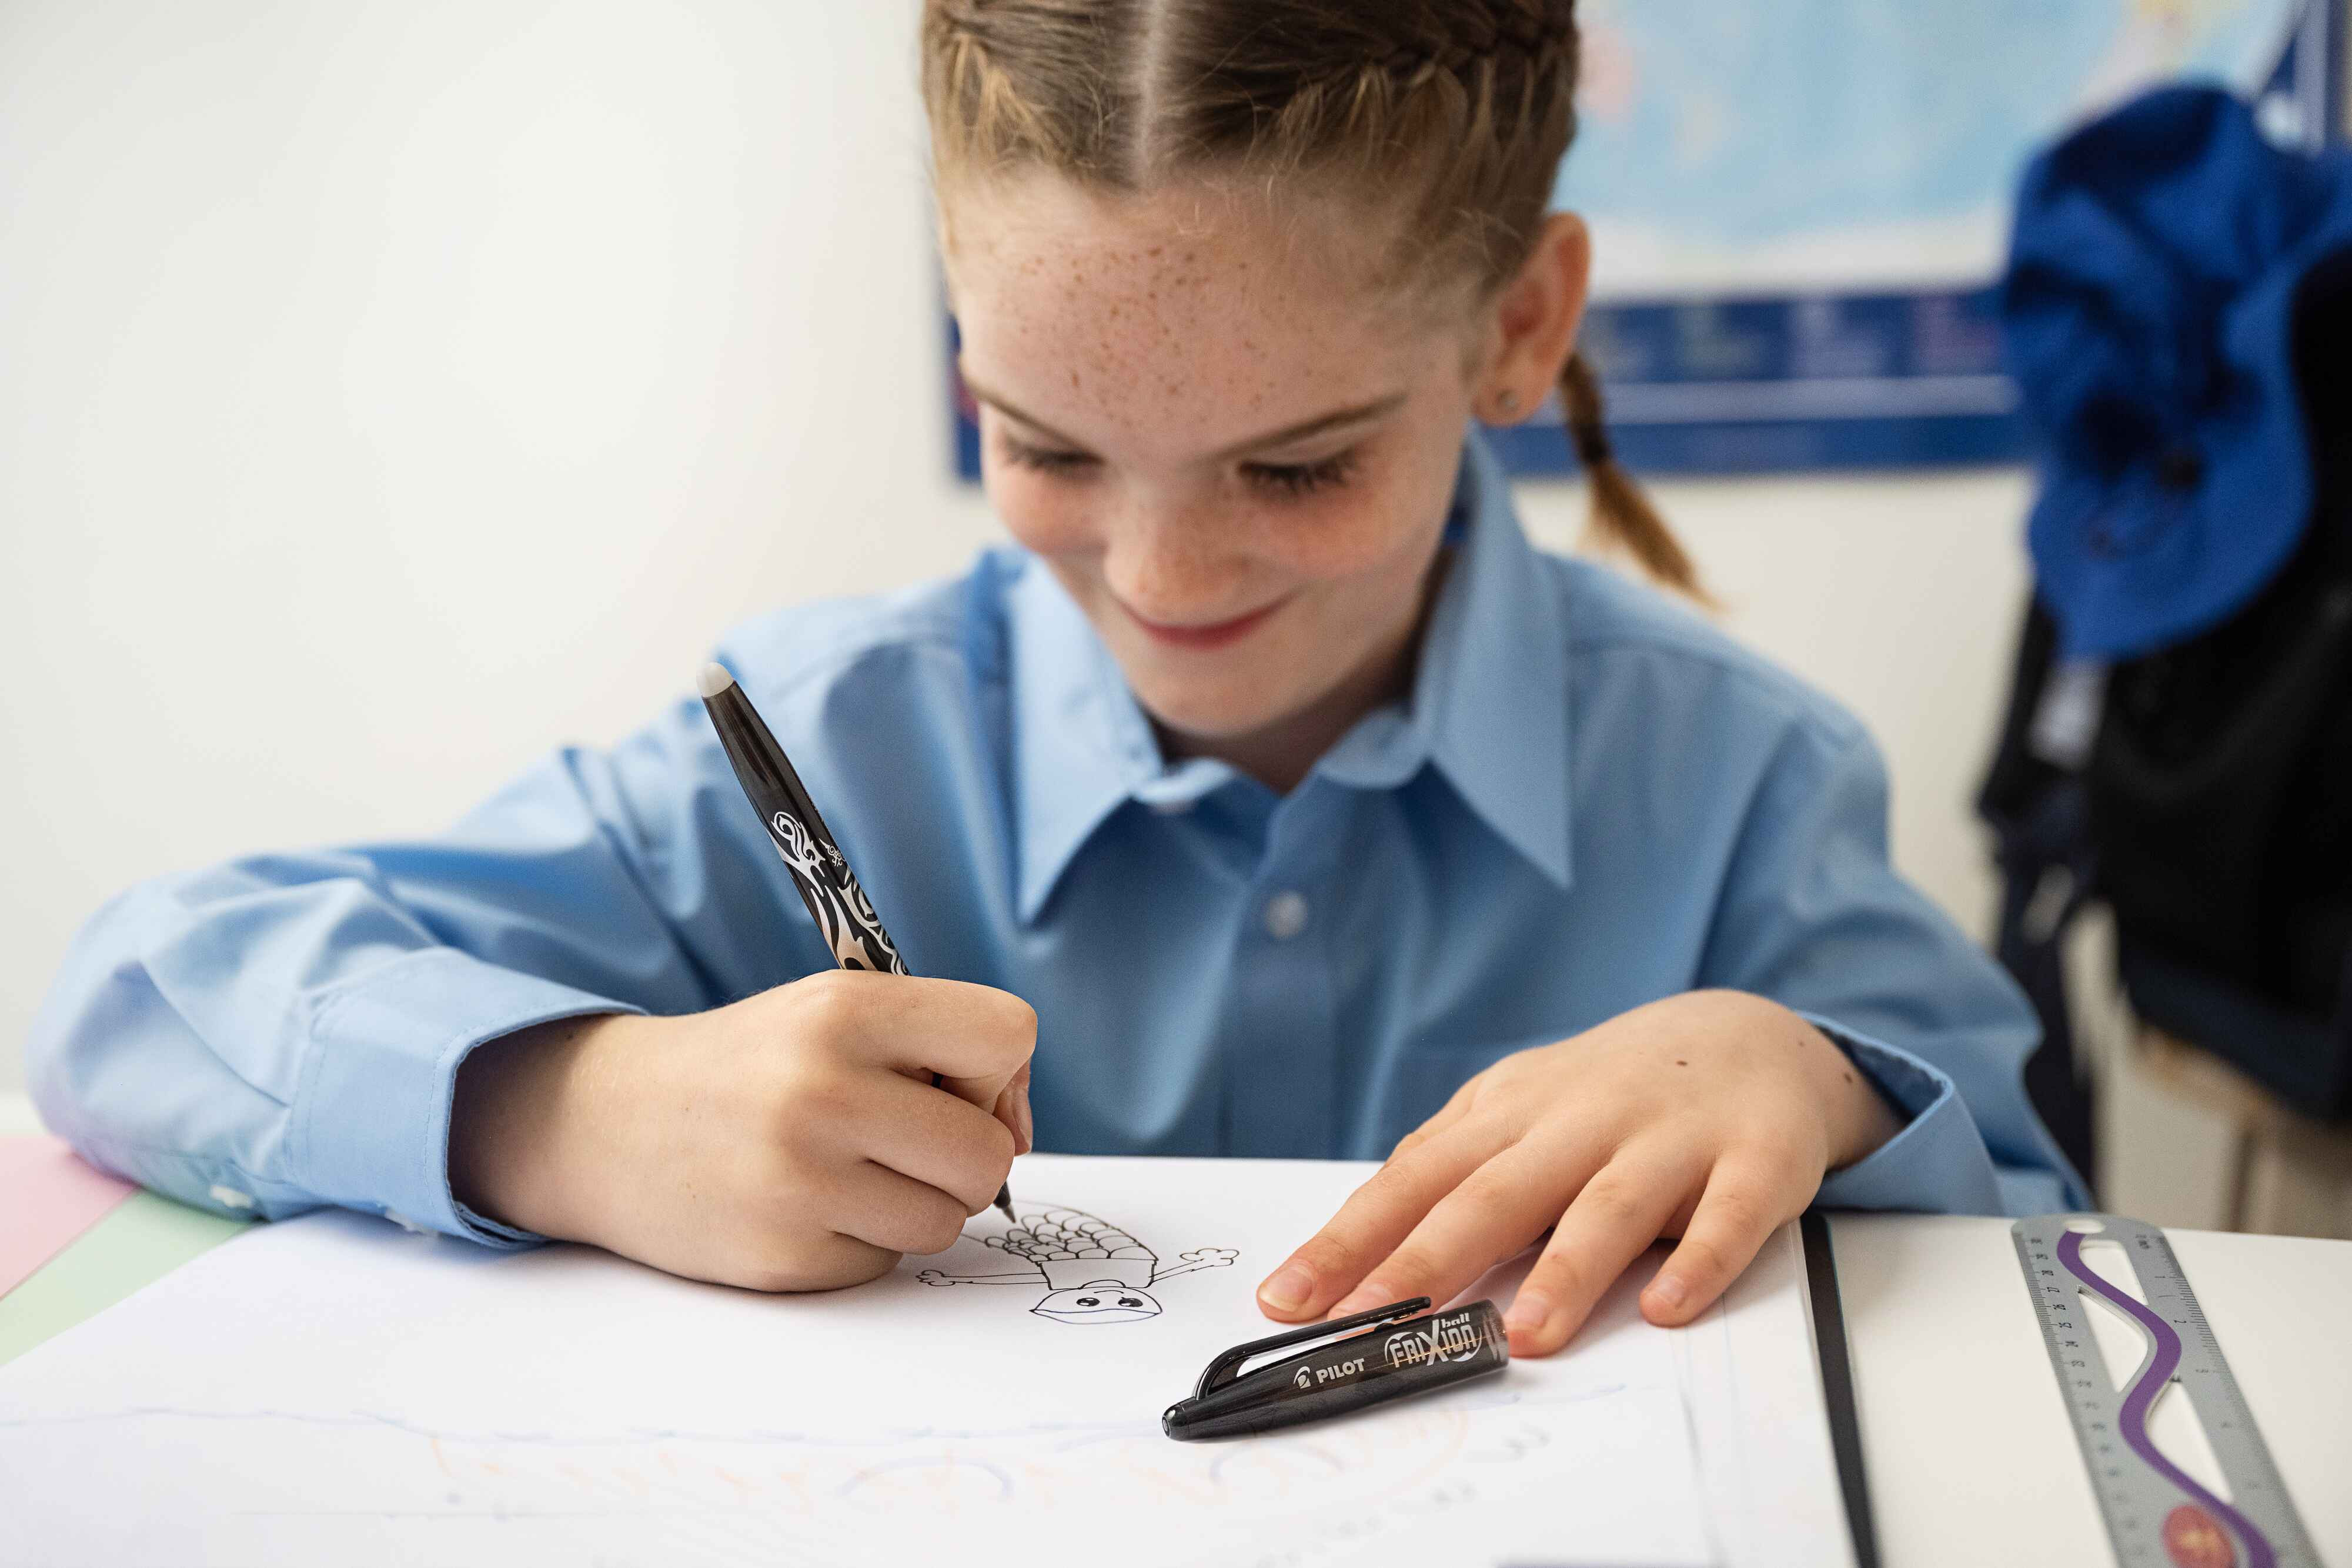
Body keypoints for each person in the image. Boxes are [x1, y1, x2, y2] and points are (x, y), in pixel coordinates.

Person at [25, 0, 2080, 1359]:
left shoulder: (1738, 778)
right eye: (1048, 441)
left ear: (1522, 328)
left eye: (1299, 464)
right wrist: (576, 1110)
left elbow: (2045, 1234)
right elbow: (143, 993)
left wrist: (1814, 1080)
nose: (1165, 576)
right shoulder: (828, 737)